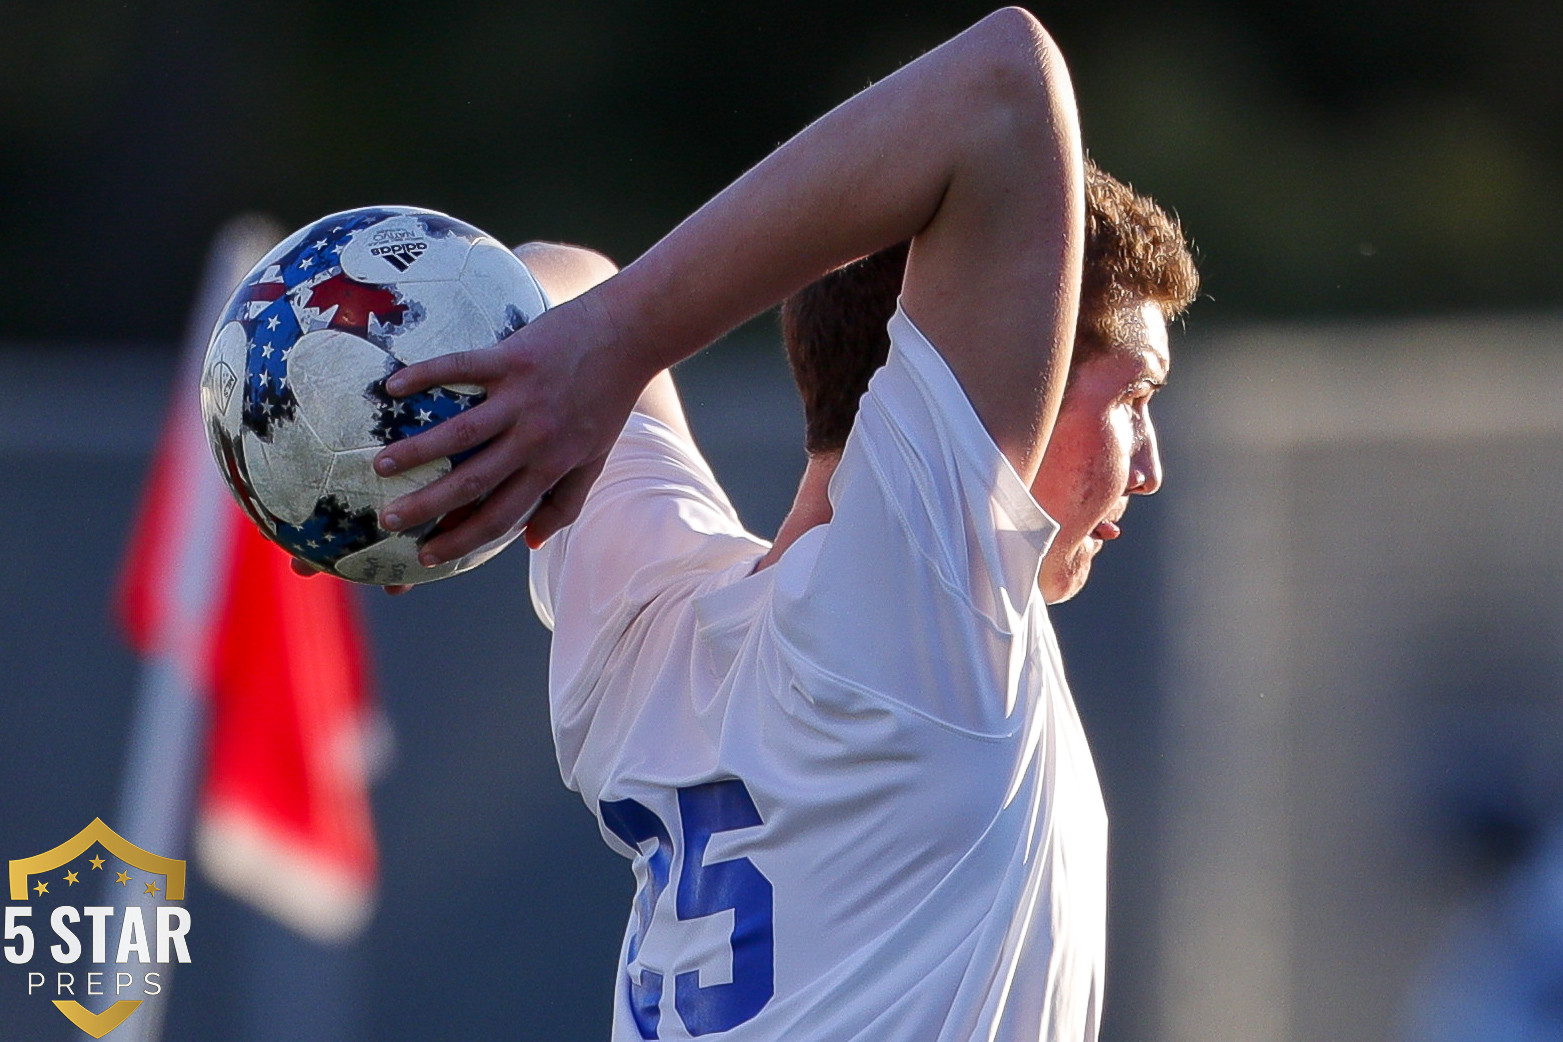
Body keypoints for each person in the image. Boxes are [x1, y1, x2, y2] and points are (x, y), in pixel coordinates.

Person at [372, 9, 1196, 1039]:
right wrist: (617, 339)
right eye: (1132, 397)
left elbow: (547, 273)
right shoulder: (918, 615)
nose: (1150, 464)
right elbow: (1004, 82)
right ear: (1005, 367)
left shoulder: (648, 630)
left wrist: (538, 391)